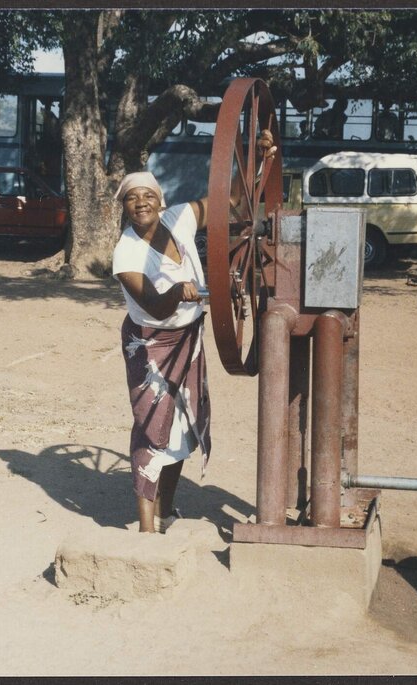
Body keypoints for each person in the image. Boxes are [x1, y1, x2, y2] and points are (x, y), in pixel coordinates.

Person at [112, 130, 276, 534]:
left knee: (183, 424)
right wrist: (177, 291)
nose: (141, 202)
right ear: (125, 208)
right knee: (152, 427)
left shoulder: (178, 218)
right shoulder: (126, 252)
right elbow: (154, 304)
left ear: (161, 200)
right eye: (132, 198)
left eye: (148, 195)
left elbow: (230, 201)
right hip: (150, 344)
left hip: (189, 337)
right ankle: (146, 529)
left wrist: (256, 159)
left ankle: (166, 512)